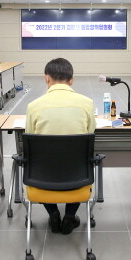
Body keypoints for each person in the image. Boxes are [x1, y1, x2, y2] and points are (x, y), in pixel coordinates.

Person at [25, 58, 96, 235]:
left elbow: (29, 142)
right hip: (78, 174)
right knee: (78, 160)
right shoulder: (87, 103)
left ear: (46, 78)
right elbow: (90, 136)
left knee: (43, 161)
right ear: (72, 80)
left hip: (42, 176)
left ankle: (53, 213)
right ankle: (70, 217)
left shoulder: (33, 106)